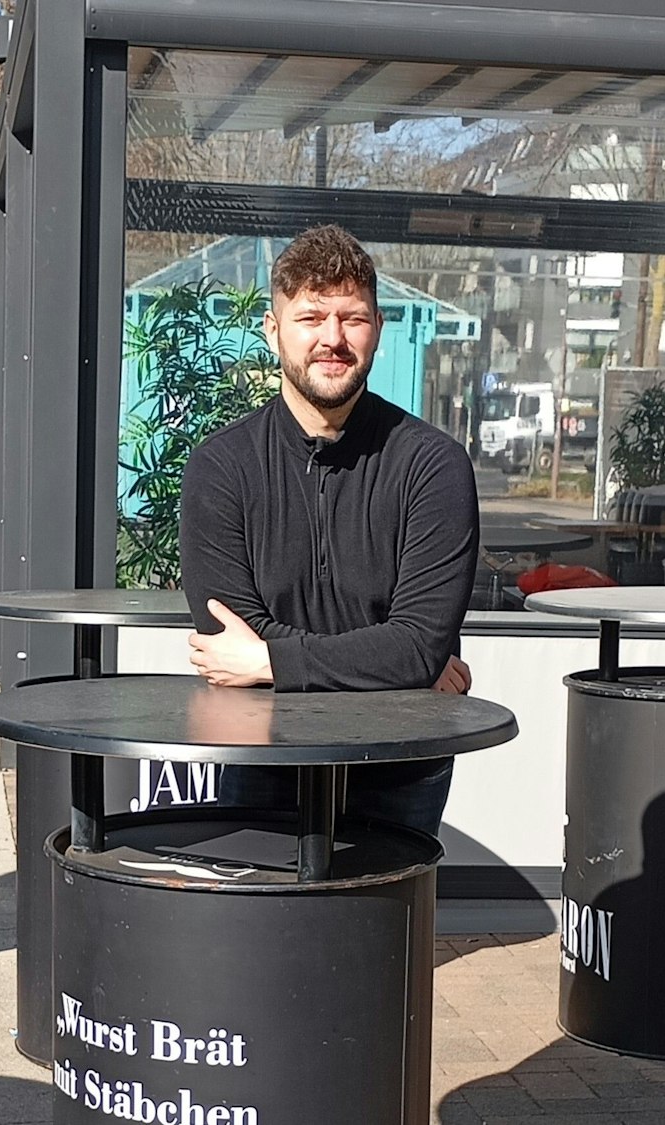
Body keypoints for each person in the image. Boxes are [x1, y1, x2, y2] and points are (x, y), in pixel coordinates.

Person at [179, 224, 480, 837]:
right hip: (263, 755)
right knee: (261, 932)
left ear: (378, 329)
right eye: (311, 317)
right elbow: (227, 637)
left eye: (353, 318)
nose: (333, 339)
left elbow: (419, 644)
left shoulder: (433, 465)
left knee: (384, 929)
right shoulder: (222, 468)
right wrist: (392, 665)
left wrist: (269, 659)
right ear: (273, 329)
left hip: (399, 763)